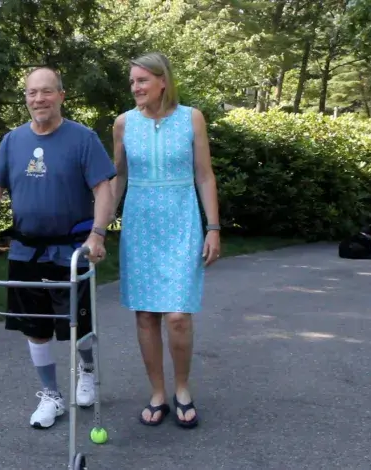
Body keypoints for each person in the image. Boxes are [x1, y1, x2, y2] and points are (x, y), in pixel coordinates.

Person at [0, 66, 118, 429]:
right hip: (25, 250)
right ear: (26, 98)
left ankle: (87, 369)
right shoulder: (12, 140)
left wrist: (97, 234)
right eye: (32, 93)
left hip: (70, 251)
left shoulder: (82, 138)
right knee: (35, 326)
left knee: (76, 326)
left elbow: (103, 190)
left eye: (46, 92)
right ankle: (51, 394)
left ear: (61, 96)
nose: (39, 99)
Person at [108, 52, 221, 429]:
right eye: (132, 82)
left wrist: (214, 227)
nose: (135, 88)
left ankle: (183, 388)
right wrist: (99, 226)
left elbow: (204, 175)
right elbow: (118, 177)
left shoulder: (192, 118)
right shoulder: (123, 123)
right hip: (140, 223)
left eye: (142, 80)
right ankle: (157, 392)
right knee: (145, 315)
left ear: (162, 82)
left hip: (180, 221)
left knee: (177, 317)